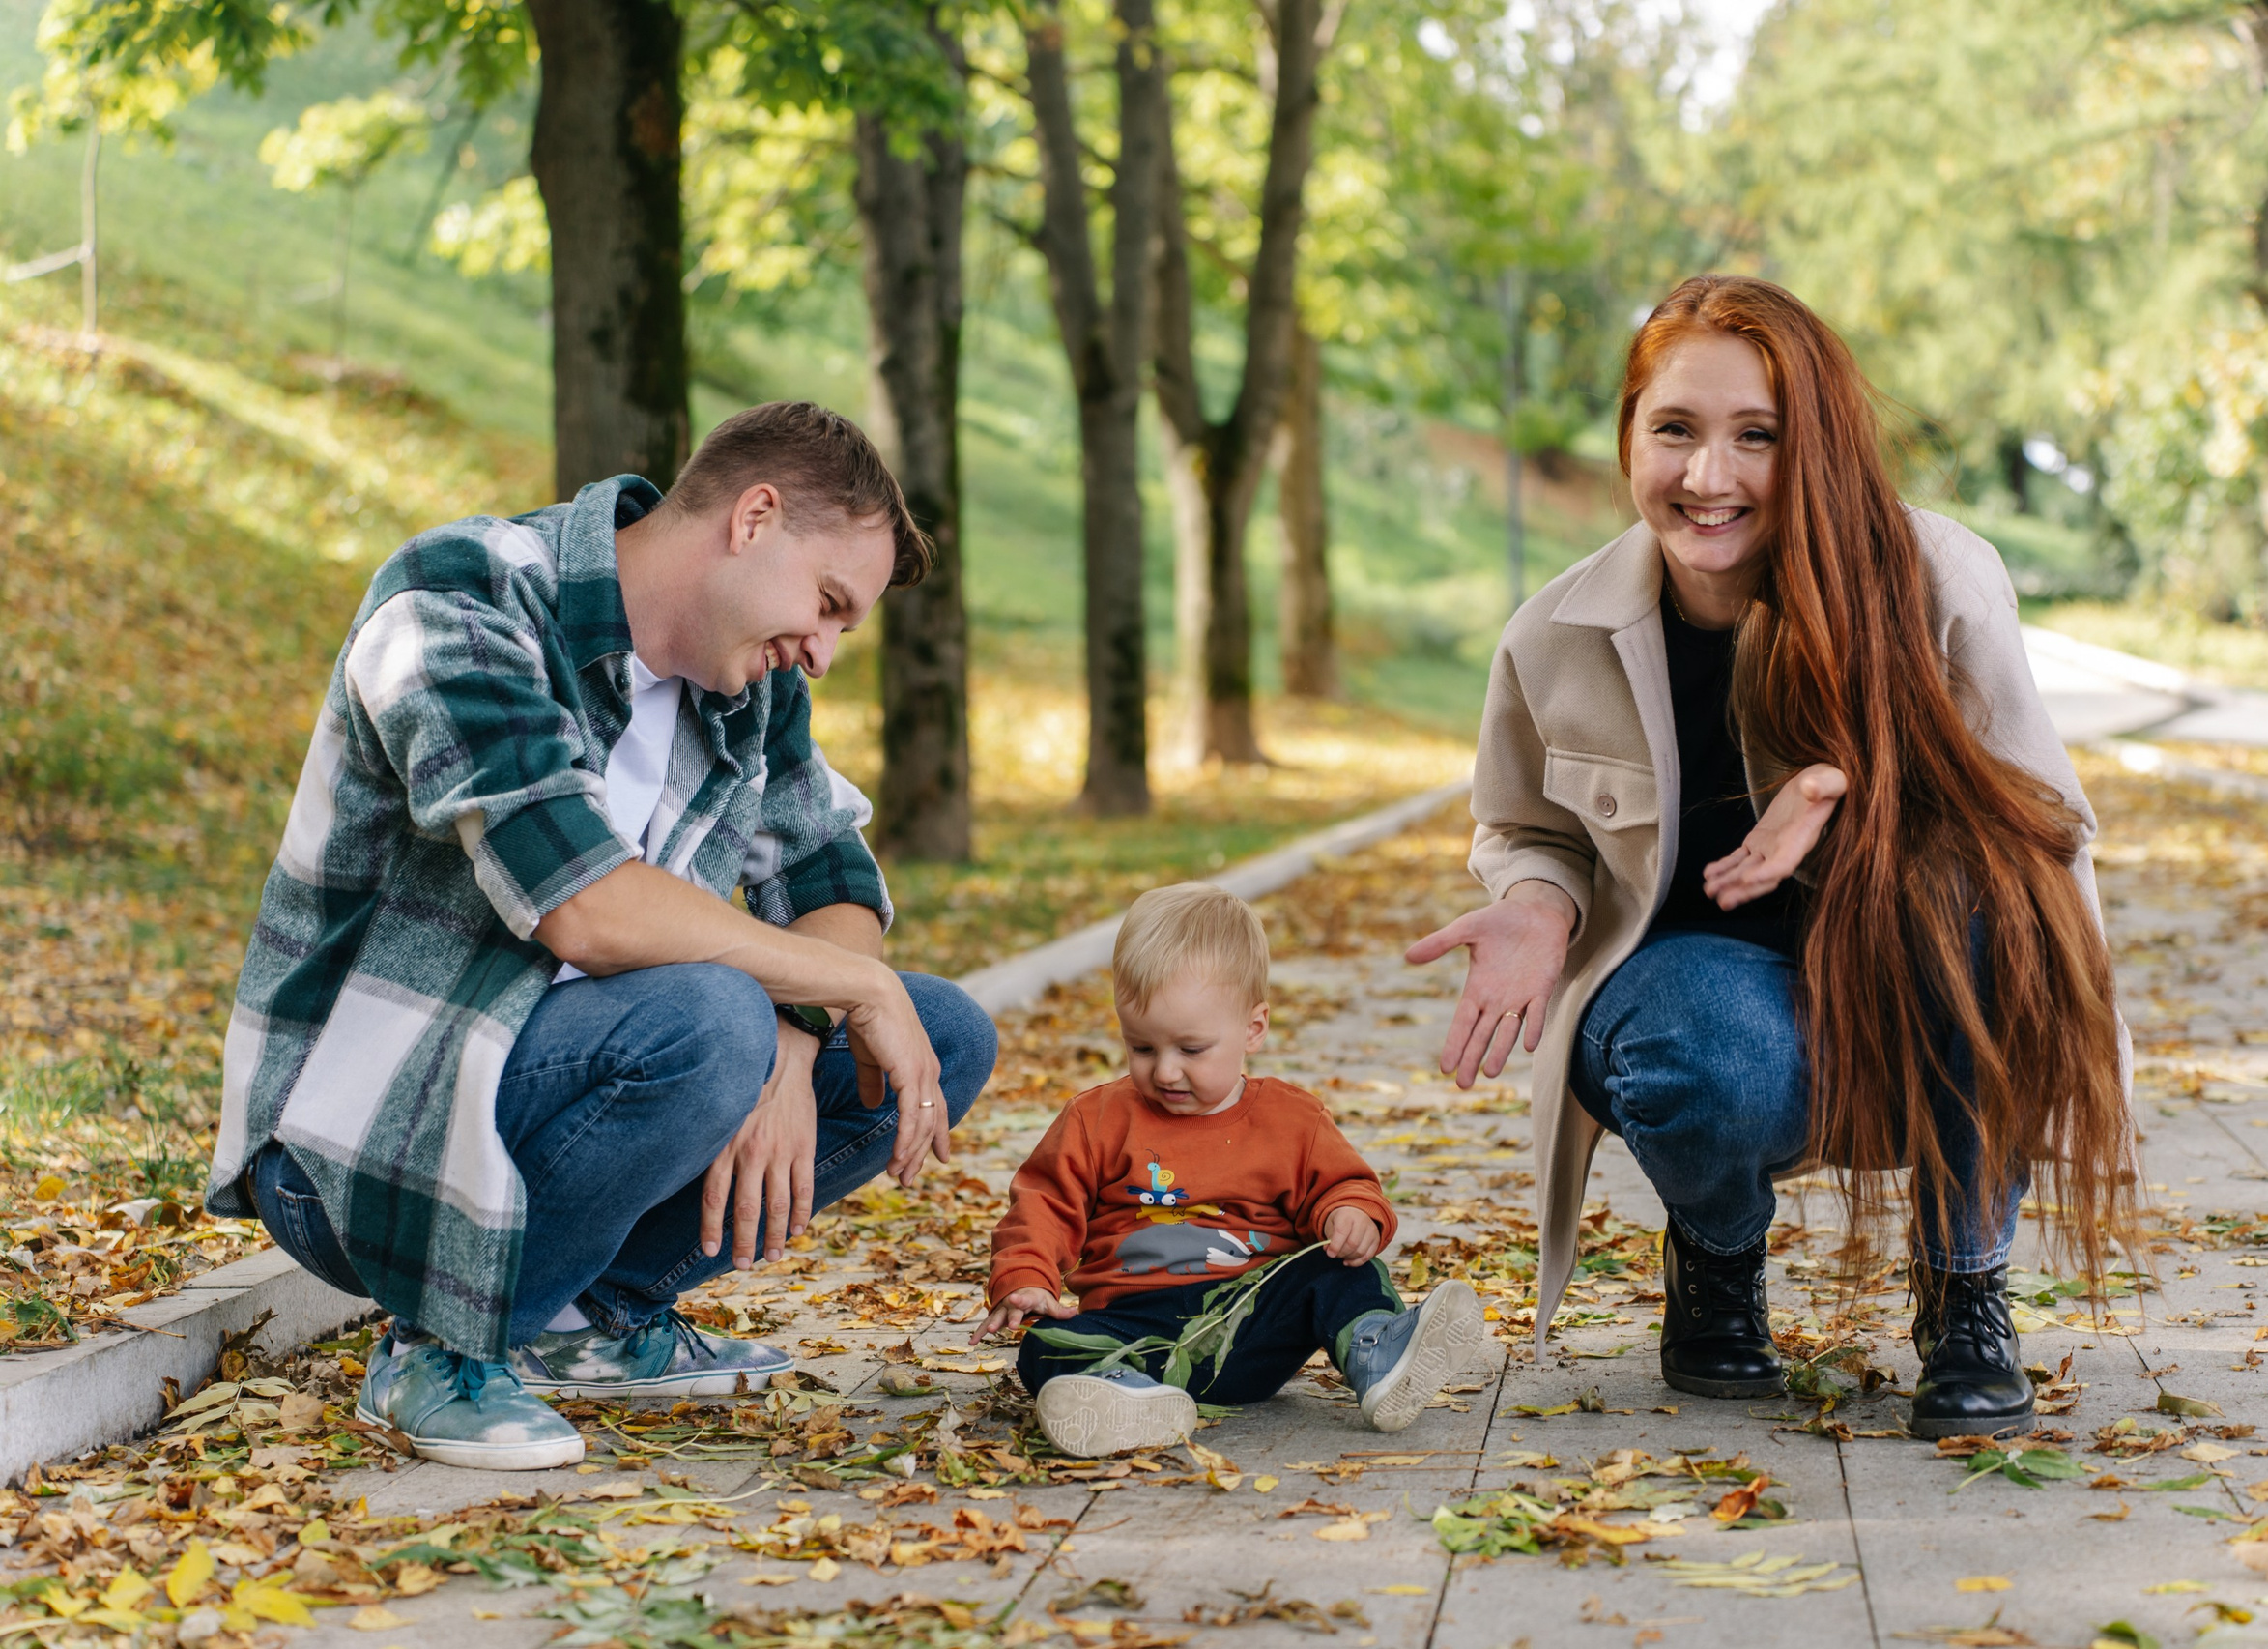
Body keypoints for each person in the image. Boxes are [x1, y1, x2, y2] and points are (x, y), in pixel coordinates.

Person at [209, 402, 999, 1470]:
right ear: (754, 517)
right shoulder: (460, 596)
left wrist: (807, 1029)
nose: (819, 652)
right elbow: (582, 901)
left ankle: (590, 1320)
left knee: (940, 1031)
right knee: (715, 1018)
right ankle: (439, 1347)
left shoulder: (743, 688)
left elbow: (834, 880)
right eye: (826, 604)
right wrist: (829, 992)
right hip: (362, 1142)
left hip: (563, 1078)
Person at [1407, 276, 2132, 1440]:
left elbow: (2043, 826)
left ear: (1820, 445)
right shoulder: (1551, 634)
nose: (1710, 477)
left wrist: (1842, 786)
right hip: (1711, 1020)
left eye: (1758, 436)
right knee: (1701, 1046)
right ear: (1628, 436)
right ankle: (1715, 1255)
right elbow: (1523, 825)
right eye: (1675, 431)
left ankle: (1964, 1290)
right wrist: (1539, 901)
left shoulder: (1936, 575)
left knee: (1978, 891)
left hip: (1918, 1016)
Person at [972, 883, 1484, 1456]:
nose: (1165, 1071)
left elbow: (1346, 1184)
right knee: (1044, 1347)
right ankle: (1120, 1399)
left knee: (1335, 1271)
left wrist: (1352, 1213)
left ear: (1253, 1029)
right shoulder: (1096, 1120)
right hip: (1135, 1329)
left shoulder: (1291, 1120)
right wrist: (1026, 1279)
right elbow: (1042, 1204)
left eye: (1191, 1050)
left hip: (1253, 1318)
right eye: (1141, 1048)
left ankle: (1376, 1350)